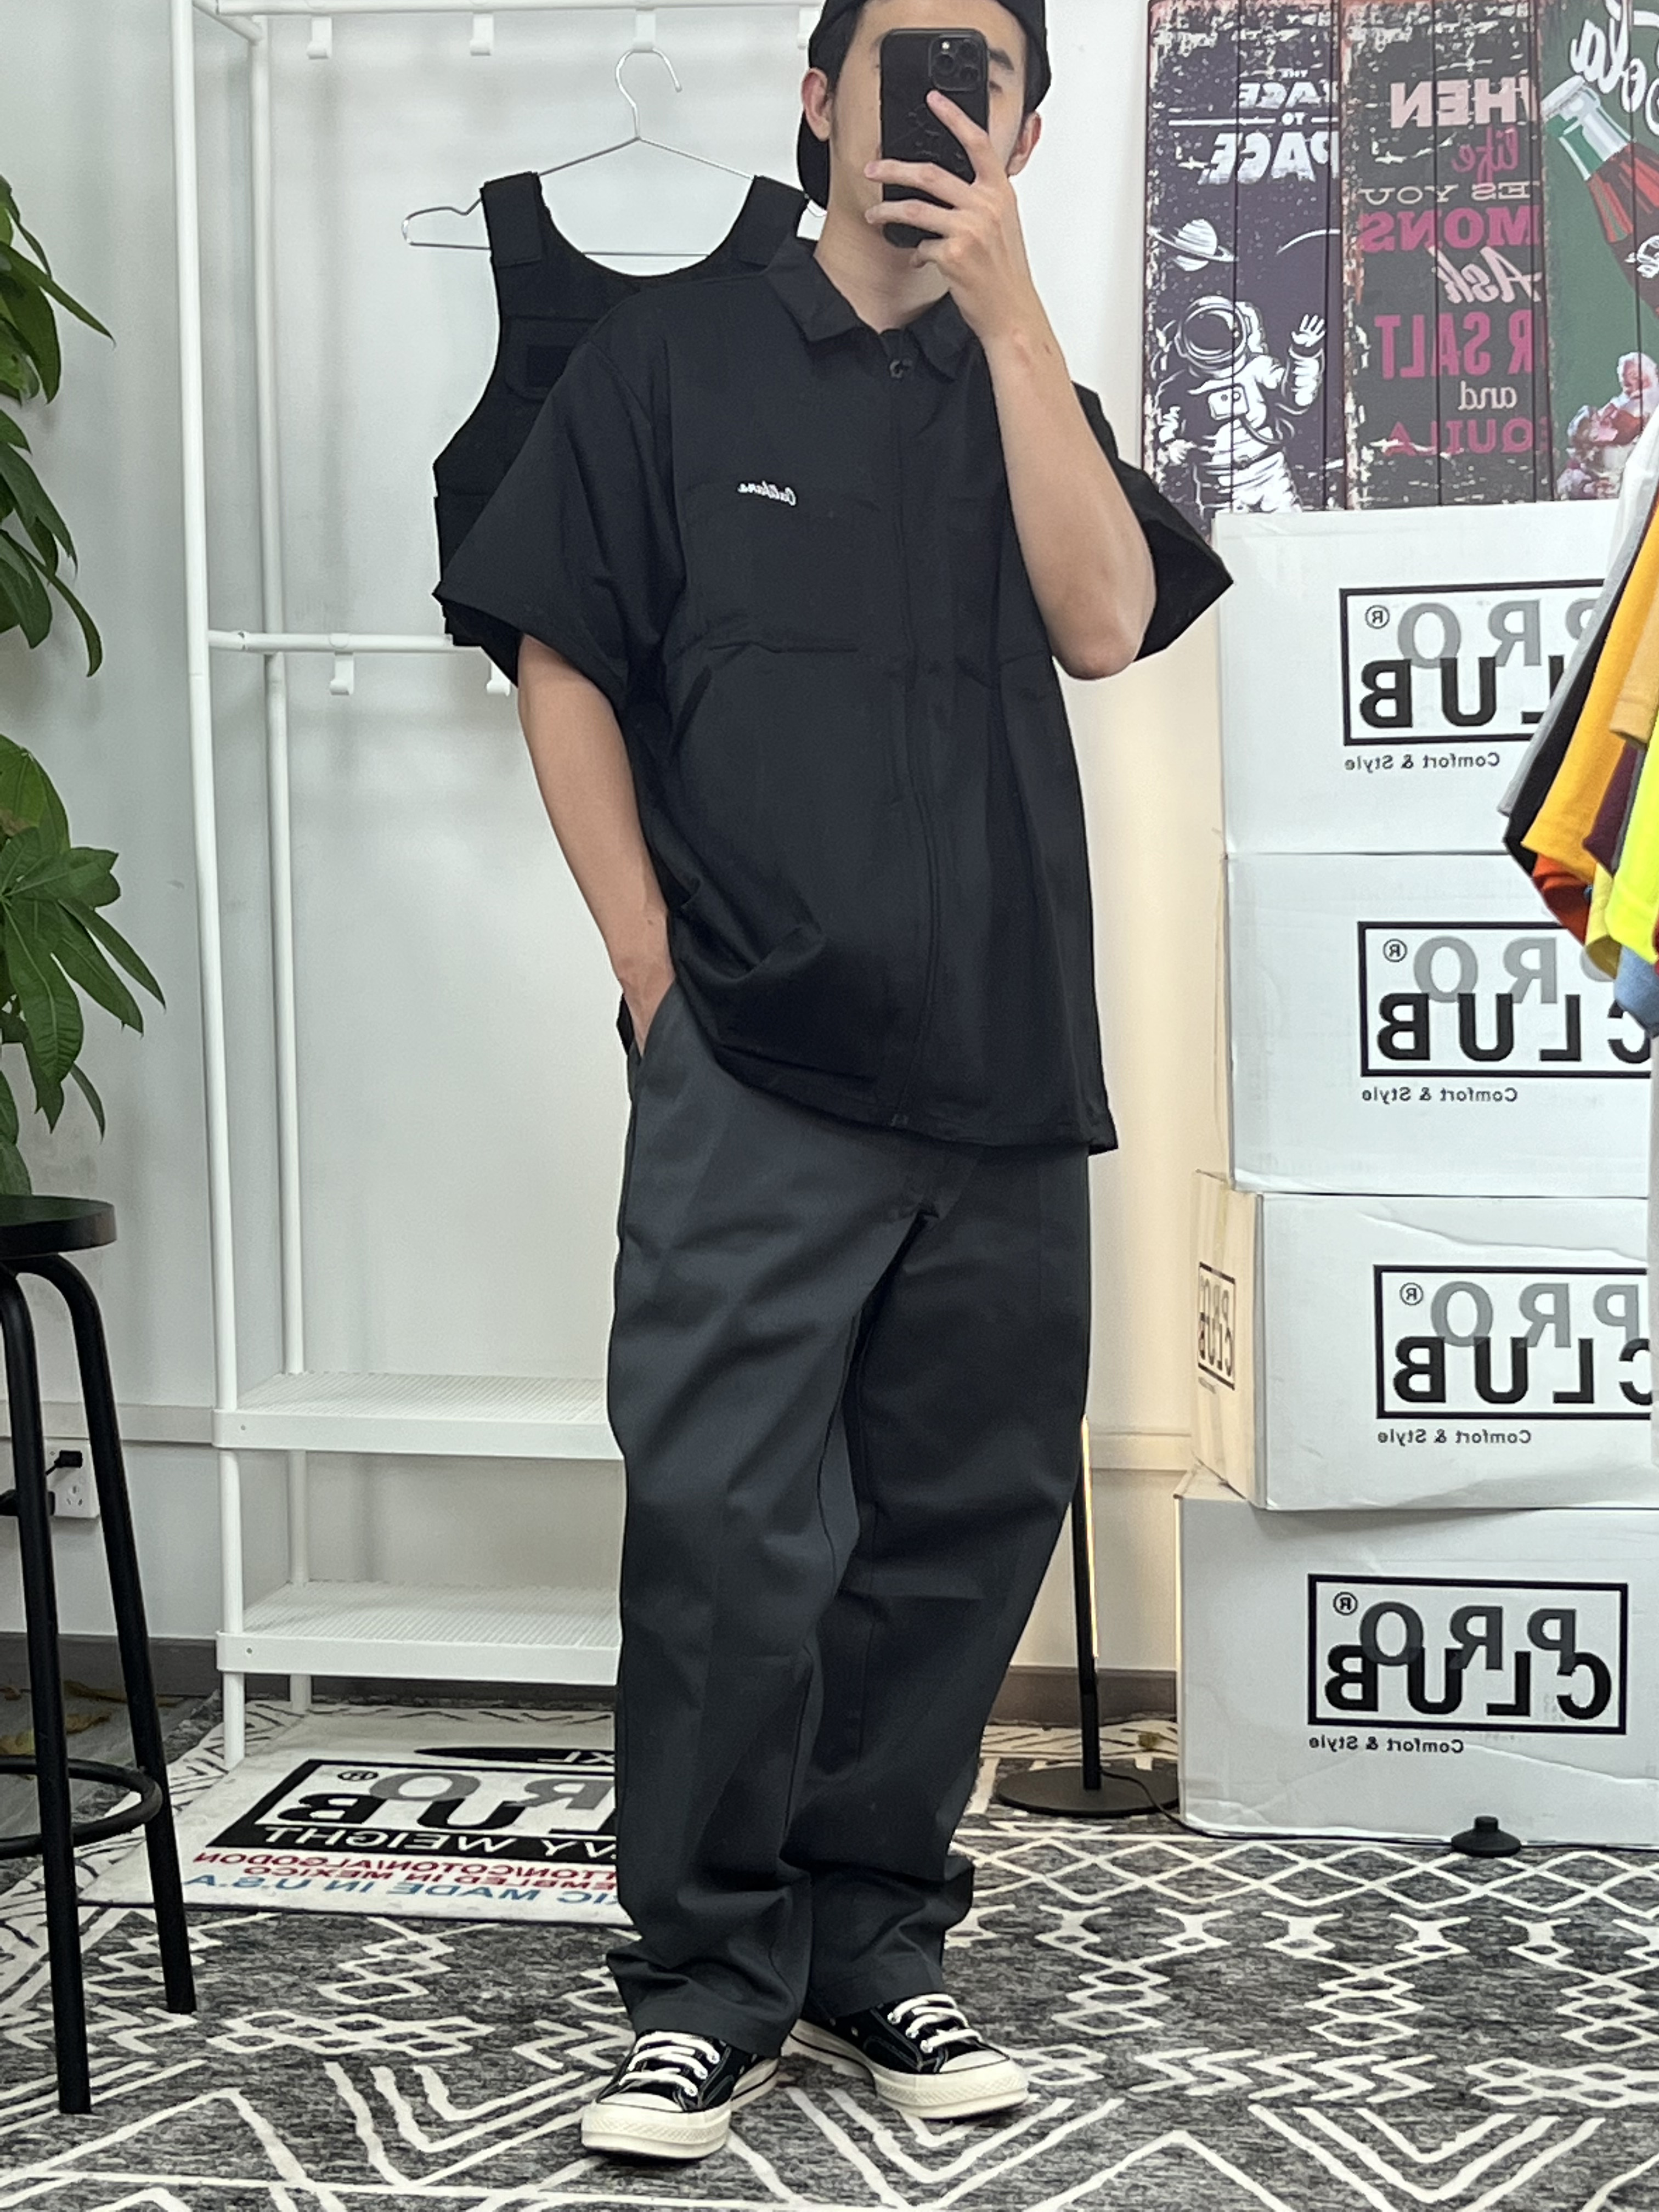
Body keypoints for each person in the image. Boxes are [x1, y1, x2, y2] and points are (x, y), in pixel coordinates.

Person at [436, 0, 1228, 2166]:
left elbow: (1104, 622)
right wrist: (646, 968)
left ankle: (873, 1940)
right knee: (726, 1536)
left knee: (957, 1535)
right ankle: (708, 1982)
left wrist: (1013, 315)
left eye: (986, 78)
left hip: (1004, 1068)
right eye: (902, 63)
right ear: (815, 96)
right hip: (757, 1060)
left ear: (1029, 131)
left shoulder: (1025, 381)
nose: (938, 107)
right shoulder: (666, 363)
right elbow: (561, 656)